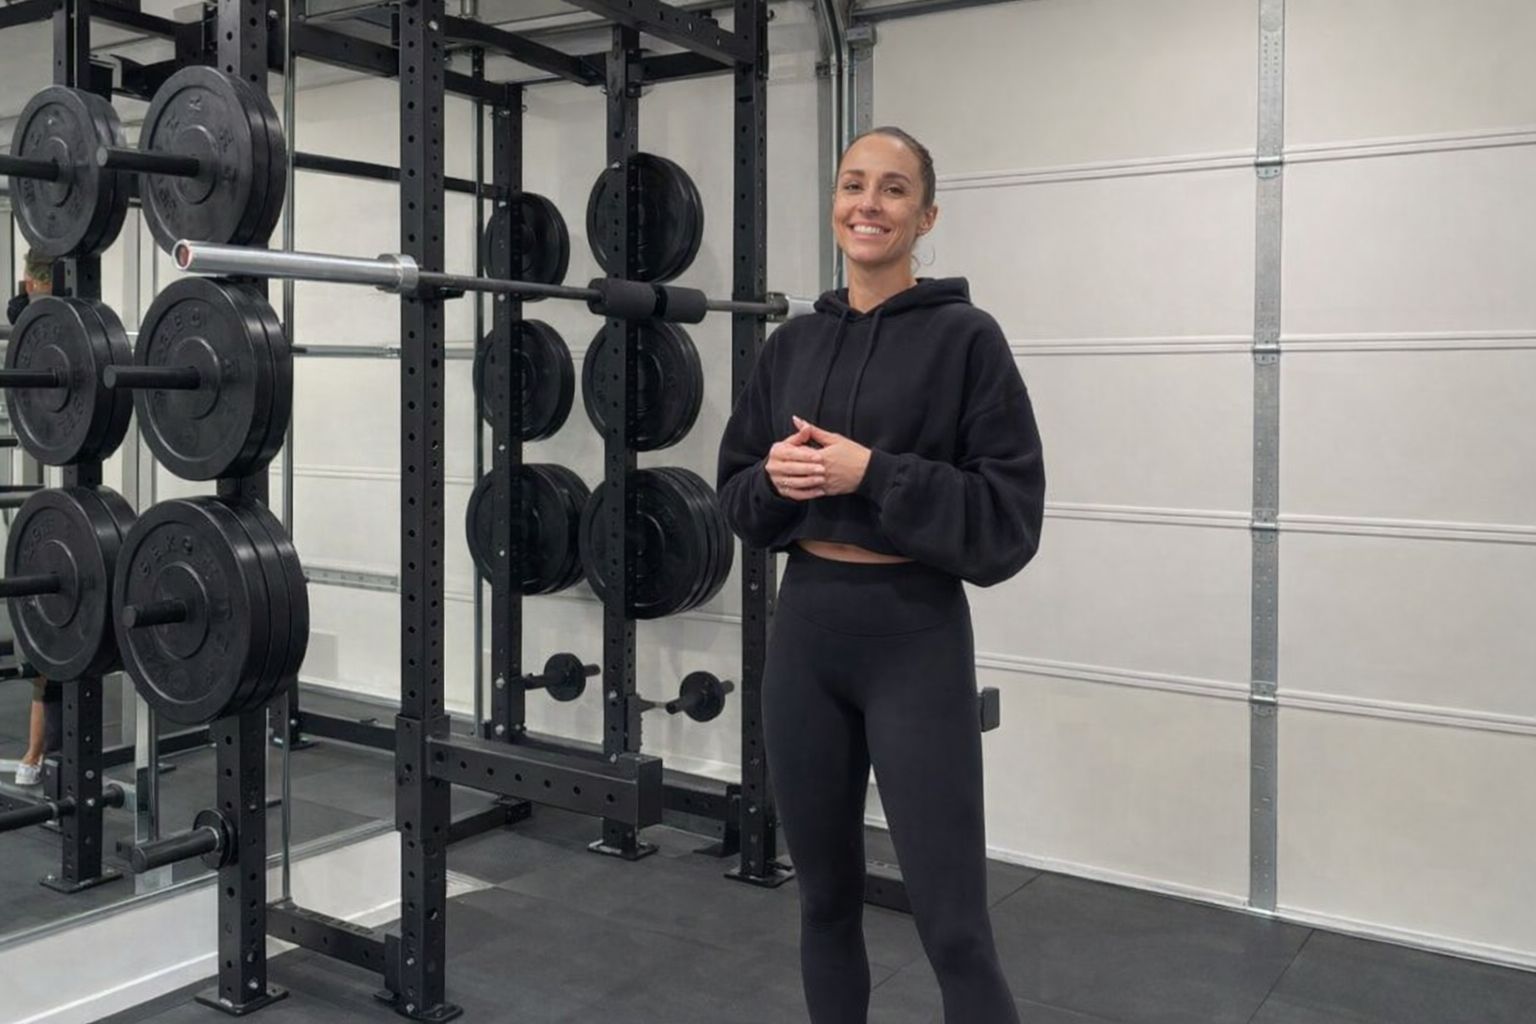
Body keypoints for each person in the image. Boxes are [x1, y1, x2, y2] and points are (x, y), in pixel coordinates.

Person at [716, 127, 1045, 1024]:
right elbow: (737, 500)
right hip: (807, 635)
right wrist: (775, 482)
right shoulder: (792, 345)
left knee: (955, 930)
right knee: (823, 903)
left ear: (925, 217)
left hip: (915, 638)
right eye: (853, 184)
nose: (869, 203)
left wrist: (875, 474)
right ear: (834, 204)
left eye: (894, 189)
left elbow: (1009, 521)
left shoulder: (967, 339)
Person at [6, 250, 59, 787]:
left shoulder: (70, 318)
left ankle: (39, 752)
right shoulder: (29, 318)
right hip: (50, 468)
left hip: (73, 473)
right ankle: (37, 752)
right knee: (44, 624)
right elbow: (20, 309)